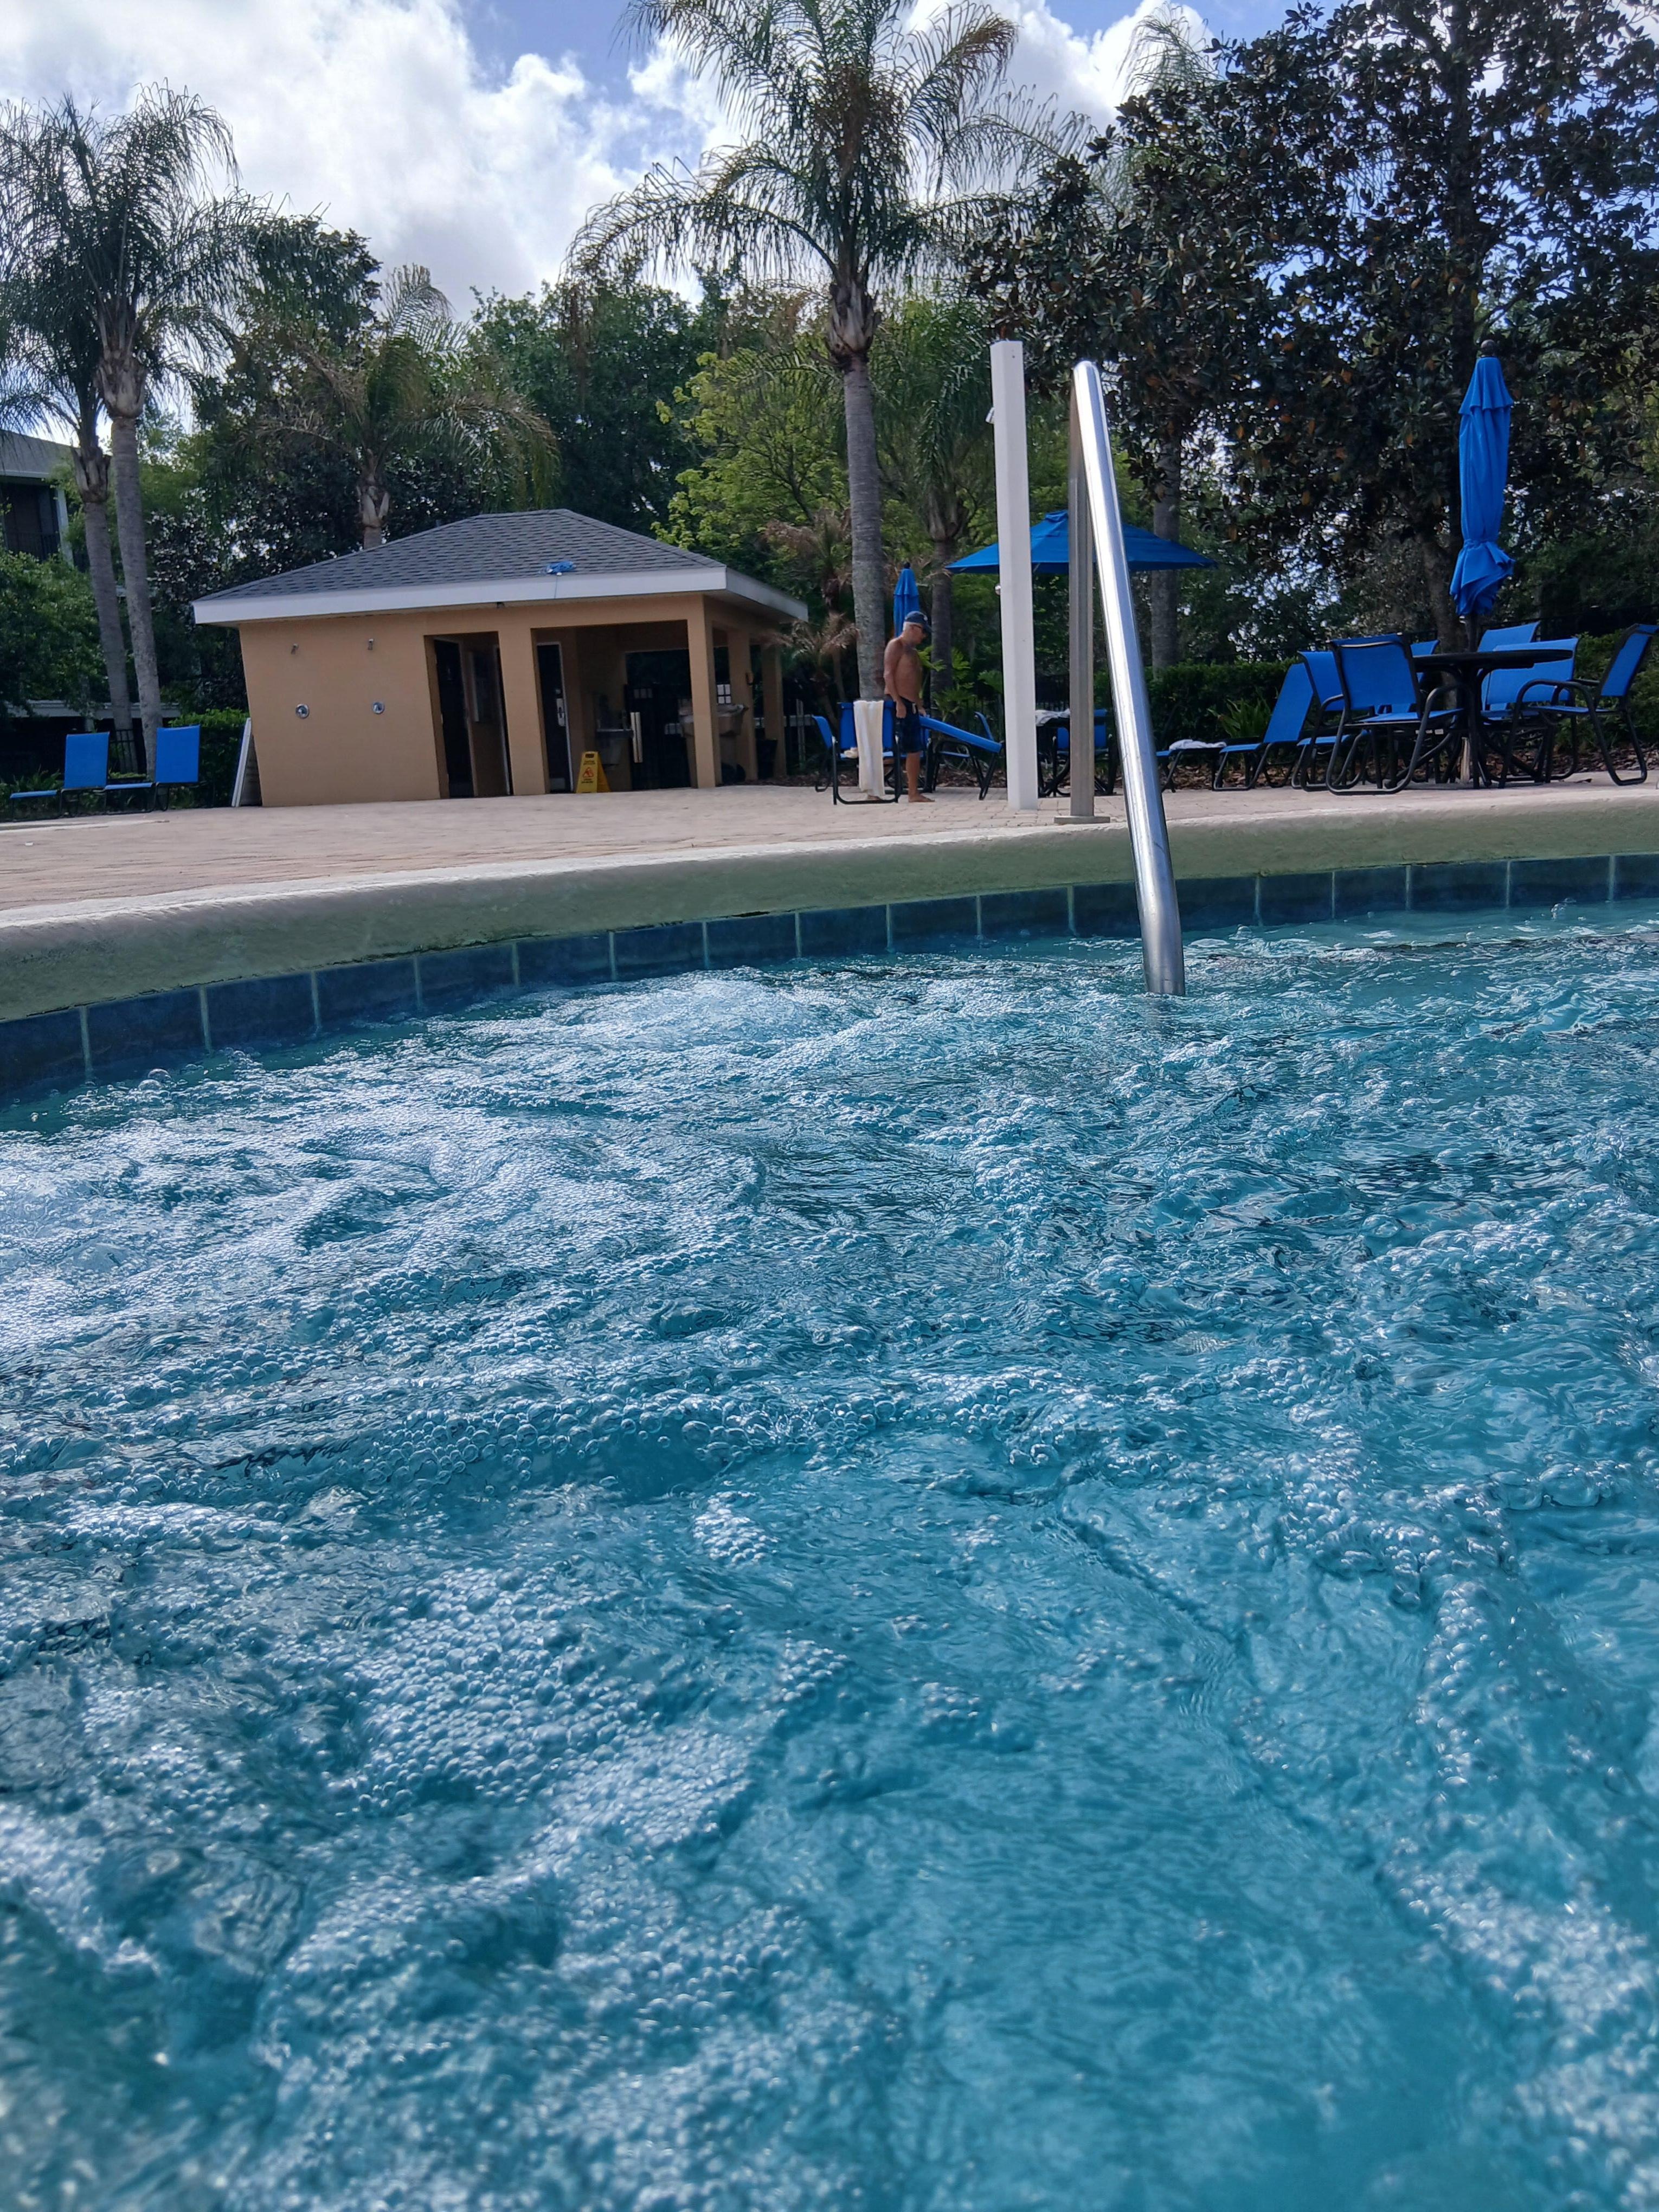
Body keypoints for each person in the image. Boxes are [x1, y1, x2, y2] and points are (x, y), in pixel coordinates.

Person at [883, 611, 931, 802]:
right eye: (923, 632)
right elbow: (888, 674)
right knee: (895, 749)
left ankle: (913, 792)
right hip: (898, 703)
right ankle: (875, 786)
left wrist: (919, 705)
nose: (924, 637)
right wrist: (898, 702)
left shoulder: (914, 653)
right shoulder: (896, 645)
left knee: (914, 749)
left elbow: (915, 682)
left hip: (910, 705)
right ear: (912, 628)